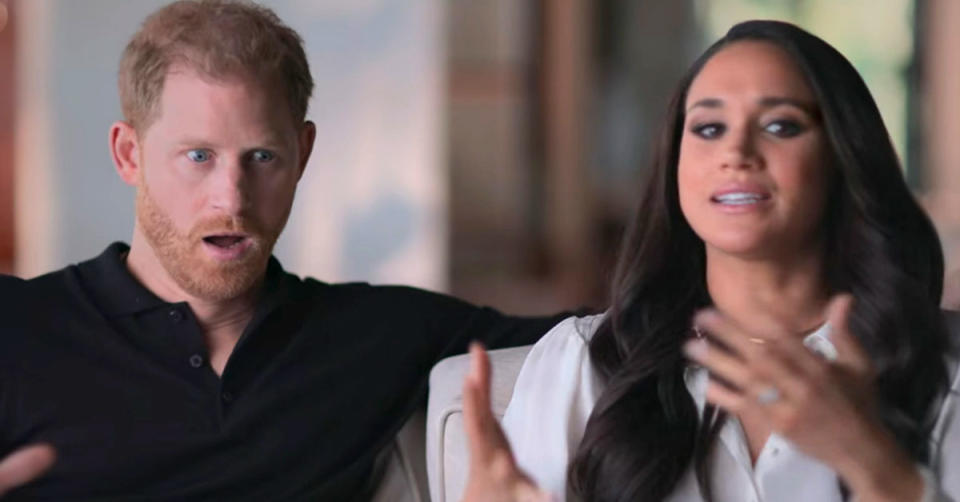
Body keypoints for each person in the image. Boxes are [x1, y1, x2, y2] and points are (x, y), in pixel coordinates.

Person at [0, 1, 569, 499]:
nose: (232, 197)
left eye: (263, 157)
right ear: (129, 155)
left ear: (302, 153)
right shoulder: (19, 329)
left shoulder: (374, 336)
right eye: (198, 156)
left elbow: (617, 336)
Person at [460, 20, 960, 502]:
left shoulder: (941, 375)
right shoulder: (583, 364)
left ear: (843, 158)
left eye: (781, 125)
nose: (736, 152)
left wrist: (876, 468)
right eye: (709, 127)